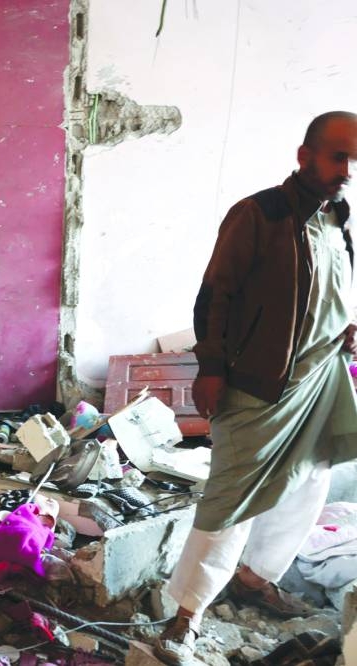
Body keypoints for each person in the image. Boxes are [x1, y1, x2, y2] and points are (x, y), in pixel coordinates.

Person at [155, 111, 357, 665]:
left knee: (311, 478)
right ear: (304, 156)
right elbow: (213, 297)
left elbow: (331, 288)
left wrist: (345, 328)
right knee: (230, 501)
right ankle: (185, 615)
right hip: (259, 385)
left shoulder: (339, 217)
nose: (347, 170)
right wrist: (212, 369)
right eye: (337, 156)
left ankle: (254, 578)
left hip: (320, 377)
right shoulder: (258, 214)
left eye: (354, 159)